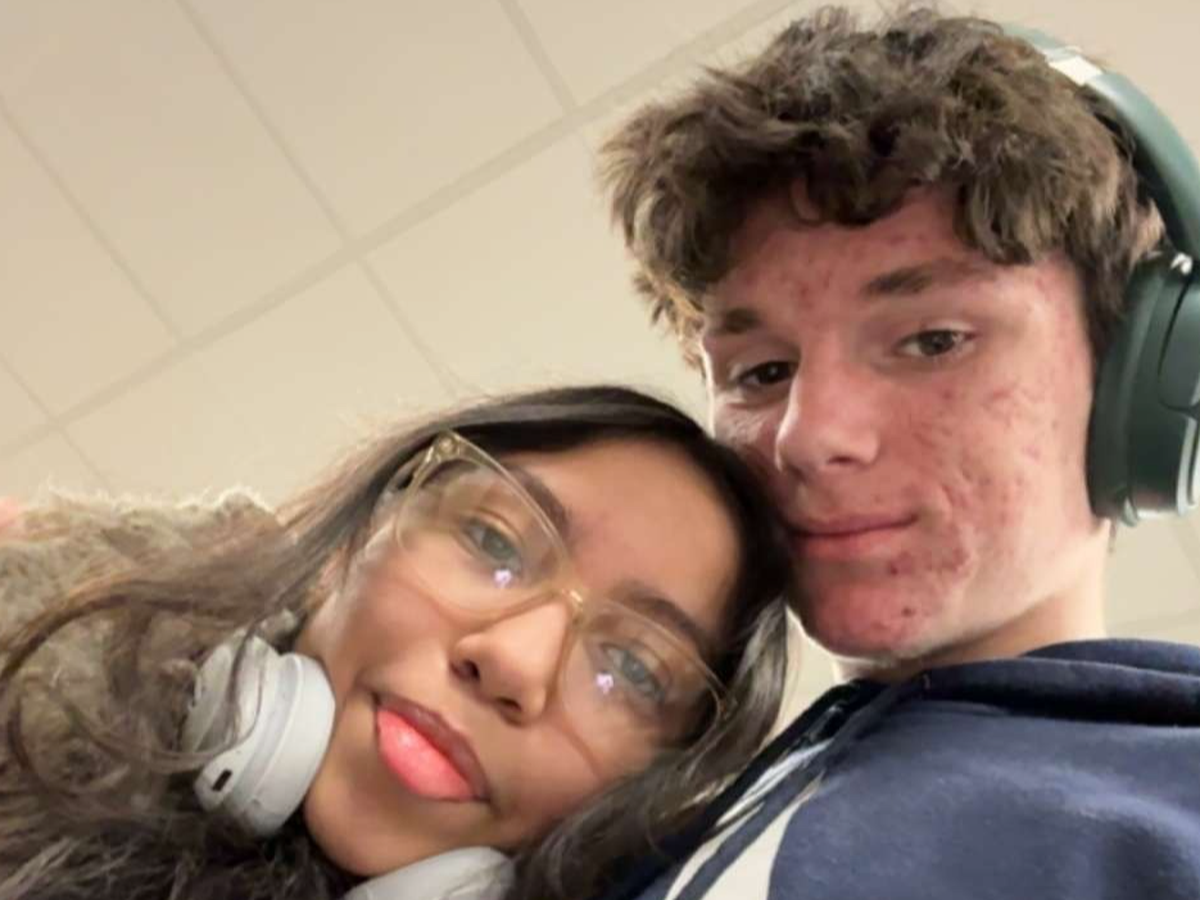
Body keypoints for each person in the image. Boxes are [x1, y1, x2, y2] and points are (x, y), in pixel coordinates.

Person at [595, 6, 1200, 899]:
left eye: (932, 340)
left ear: (1135, 381)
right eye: (762, 372)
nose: (810, 437)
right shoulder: (648, 832)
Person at [0, 385, 795, 900]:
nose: (513, 660)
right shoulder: (42, 632)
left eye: (633, 668)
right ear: (355, 541)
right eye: (494, 540)